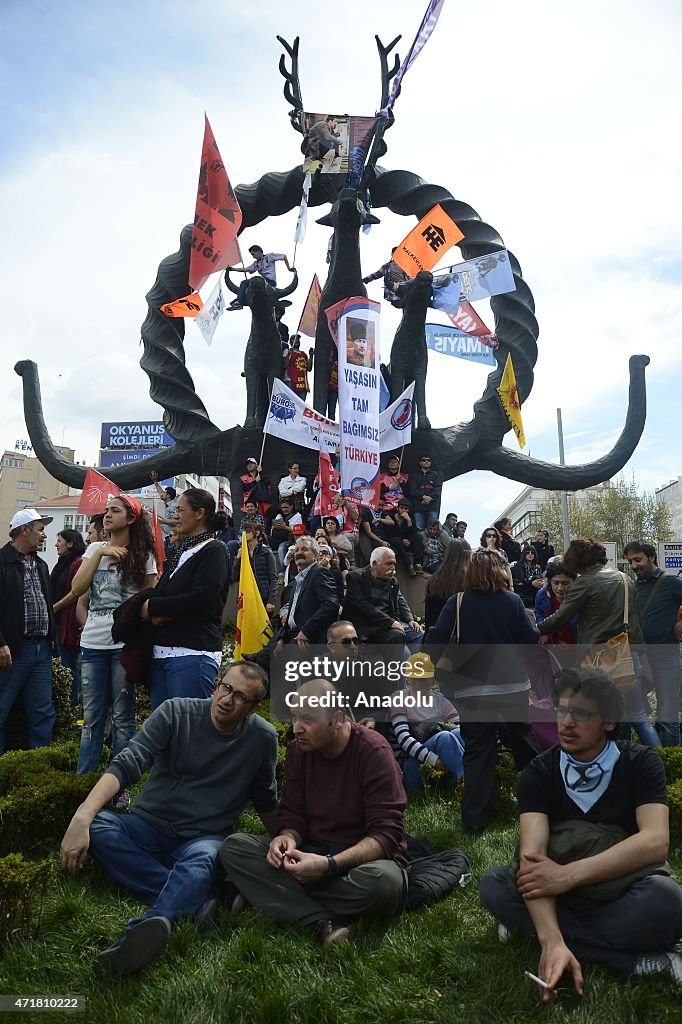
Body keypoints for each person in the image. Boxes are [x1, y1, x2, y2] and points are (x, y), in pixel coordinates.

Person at [60, 661, 278, 974]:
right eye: (226, 687)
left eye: (241, 697)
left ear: (254, 707)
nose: (228, 699)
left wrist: (284, 839)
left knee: (206, 859)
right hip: (148, 826)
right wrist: (81, 818)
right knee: (98, 824)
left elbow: (265, 799)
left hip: (202, 838)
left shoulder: (262, 738)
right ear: (216, 685)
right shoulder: (176, 712)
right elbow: (127, 763)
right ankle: (196, 897)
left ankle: (153, 922)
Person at [480, 667, 682, 999]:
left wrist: (567, 876)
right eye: (561, 710)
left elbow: (655, 842)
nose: (566, 722)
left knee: (669, 902)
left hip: (617, 889)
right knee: (493, 885)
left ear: (610, 721)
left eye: (581, 713)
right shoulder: (539, 772)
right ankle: (627, 959)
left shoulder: (641, 763)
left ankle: (529, 928)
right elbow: (533, 859)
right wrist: (552, 940)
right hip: (559, 892)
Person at [219, 678, 407, 947]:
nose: (296, 728)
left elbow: (386, 835)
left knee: (386, 883)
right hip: (311, 850)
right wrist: (287, 838)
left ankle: (265, 892)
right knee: (234, 847)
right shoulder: (299, 751)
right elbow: (294, 812)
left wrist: (329, 865)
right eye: (294, 717)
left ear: (338, 719)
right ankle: (322, 921)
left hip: (358, 863)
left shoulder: (373, 752)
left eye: (307, 718)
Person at [427, 548, 541, 834]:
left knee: (478, 752)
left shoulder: (458, 602)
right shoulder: (513, 601)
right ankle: (545, 803)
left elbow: (434, 642)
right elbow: (529, 641)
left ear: (470, 573)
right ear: (501, 571)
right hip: (513, 684)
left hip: (472, 688)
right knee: (524, 743)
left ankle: (475, 821)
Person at [537, 538, 659, 748]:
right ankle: (659, 765)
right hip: (628, 654)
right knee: (637, 715)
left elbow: (560, 617)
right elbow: (635, 618)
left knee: (605, 715)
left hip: (599, 659)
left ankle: (621, 765)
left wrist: (534, 629)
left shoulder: (585, 582)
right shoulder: (624, 578)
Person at [70, 496, 157, 774]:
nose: (107, 515)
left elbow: (149, 601)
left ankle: (119, 786)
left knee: (123, 718)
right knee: (92, 718)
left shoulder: (144, 555)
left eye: (114, 511)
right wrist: (98, 554)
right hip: (93, 644)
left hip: (124, 647)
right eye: (106, 510)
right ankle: (84, 781)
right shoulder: (95, 547)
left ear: (131, 519)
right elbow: (77, 588)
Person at [145, 489, 230, 709]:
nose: (176, 517)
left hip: (193, 653)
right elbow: (163, 591)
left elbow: (203, 597)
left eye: (181, 510)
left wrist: (152, 607)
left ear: (200, 513)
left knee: (189, 731)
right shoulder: (183, 550)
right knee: (162, 732)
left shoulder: (214, 550)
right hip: (161, 653)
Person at [0, 509, 56, 755]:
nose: (44, 535)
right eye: (40, 529)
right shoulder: (2, 561)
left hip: (41, 650)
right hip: (12, 651)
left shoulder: (41, 564)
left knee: (42, 712)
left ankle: (38, 767)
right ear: (24, 530)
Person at [625, 539, 682, 747]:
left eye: (638, 560)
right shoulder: (633, 585)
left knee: (667, 715)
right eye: (630, 561)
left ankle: (670, 765)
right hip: (639, 658)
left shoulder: (671, 582)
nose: (634, 565)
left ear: (651, 557)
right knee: (638, 714)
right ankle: (655, 764)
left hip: (666, 657)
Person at [389, 653, 464, 791]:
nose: (418, 683)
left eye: (423, 679)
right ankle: (467, 784)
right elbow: (404, 739)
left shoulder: (440, 700)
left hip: (442, 764)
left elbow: (461, 730)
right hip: (412, 768)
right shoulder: (399, 698)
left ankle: (471, 776)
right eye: (414, 678)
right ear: (408, 679)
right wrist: (435, 760)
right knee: (444, 737)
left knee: (458, 733)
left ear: (432, 679)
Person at [344, 547, 423, 649]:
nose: (393, 568)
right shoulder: (355, 577)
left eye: (394, 564)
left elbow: (400, 600)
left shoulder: (393, 581)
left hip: (387, 624)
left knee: (418, 634)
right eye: (388, 564)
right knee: (398, 637)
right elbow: (361, 605)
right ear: (374, 564)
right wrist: (390, 622)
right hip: (365, 625)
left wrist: (410, 619)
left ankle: (417, 663)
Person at [280, 537, 339, 647]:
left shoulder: (320, 573)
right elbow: (292, 614)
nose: (299, 553)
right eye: (297, 550)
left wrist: (306, 632)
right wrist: (281, 638)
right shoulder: (298, 580)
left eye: (304, 549)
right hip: (290, 635)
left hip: (309, 638)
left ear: (316, 556)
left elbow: (330, 605)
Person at [50, 528, 86, 704]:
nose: (56, 544)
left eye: (60, 541)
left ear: (70, 543)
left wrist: (55, 607)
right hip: (56, 623)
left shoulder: (77, 563)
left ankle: (71, 708)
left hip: (68, 624)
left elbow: (75, 592)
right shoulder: (61, 563)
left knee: (69, 667)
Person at [423, 538, 471, 636]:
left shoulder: (435, 579)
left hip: (436, 635)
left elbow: (429, 615)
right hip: (459, 638)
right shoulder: (469, 580)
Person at [227, 245, 294, 309]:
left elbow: (284, 256)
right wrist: (233, 269)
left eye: (253, 254)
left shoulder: (270, 256)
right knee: (244, 282)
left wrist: (289, 268)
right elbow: (246, 269)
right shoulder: (256, 264)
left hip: (270, 283)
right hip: (259, 283)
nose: (253, 257)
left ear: (258, 251)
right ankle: (239, 301)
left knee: (257, 280)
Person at [233, 521, 278, 615]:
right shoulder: (241, 552)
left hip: (263, 598)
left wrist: (271, 601)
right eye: (243, 531)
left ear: (257, 533)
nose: (244, 533)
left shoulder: (266, 552)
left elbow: (273, 578)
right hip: (246, 598)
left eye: (247, 531)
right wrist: (238, 558)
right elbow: (234, 576)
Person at [534, 560, 577, 649]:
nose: (560, 588)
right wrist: (544, 632)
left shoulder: (581, 597)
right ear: (550, 582)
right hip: (553, 645)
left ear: (574, 582)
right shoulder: (542, 595)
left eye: (565, 583)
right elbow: (539, 613)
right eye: (556, 583)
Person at [270, 498, 304, 577]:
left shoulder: (297, 516)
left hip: (289, 540)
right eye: (282, 508)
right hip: (277, 538)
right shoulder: (279, 516)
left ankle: (282, 572)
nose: (284, 509)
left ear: (291, 506)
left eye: (286, 507)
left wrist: (286, 527)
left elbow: (298, 532)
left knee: (281, 548)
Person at [409, 454, 442, 530]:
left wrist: (430, 498)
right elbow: (412, 490)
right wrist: (423, 497)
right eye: (424, 460)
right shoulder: (415, 475)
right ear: (420, 463)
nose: (426, 461)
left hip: (432, 507)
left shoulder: (435, 475)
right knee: (419, 529)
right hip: (418, 507)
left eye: (428, 460)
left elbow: (438, 489)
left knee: (433, 529)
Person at [149, 471, 178, 551]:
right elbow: (160, 492)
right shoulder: (169, 505)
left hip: (172, 538)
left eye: (164, 493)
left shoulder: (173, 506)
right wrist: (155, 482)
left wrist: (160, 521)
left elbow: (175, 522)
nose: (161, 494)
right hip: (168, 538)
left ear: (168, 495)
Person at [283, 336, 314, 400]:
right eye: (294, 339)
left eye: (298, 339)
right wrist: (288, 354)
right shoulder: (288, 351)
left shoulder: (304, 354)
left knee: (301, 407)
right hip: (290, 381)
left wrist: (311, 356)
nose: (297, 340)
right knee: (291, 404)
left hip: (302, 384)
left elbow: (309, 368)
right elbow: (284, 365)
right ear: (290, 342)